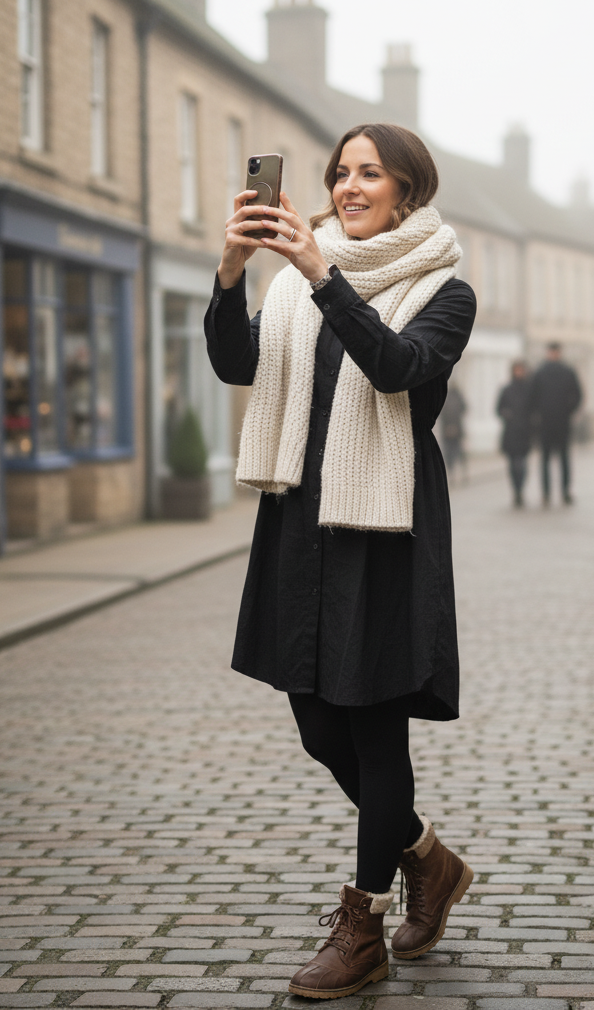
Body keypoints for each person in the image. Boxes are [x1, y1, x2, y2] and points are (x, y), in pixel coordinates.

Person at [204, 123, 477, 1000]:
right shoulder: (292, 285)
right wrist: (232, 273)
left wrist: (322, 276)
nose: (348, 185)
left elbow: (397, 370)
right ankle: (428, 861)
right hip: (297, 519)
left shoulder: (442, 287)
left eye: (369, 174)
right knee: (318, 727)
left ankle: (361, 925)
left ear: (407, 188)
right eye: (339, 173)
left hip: (380, 525)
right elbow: (232, 362)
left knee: (371, 723)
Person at [529, 342, 582, 506]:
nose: (553, 355)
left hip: (557, 422)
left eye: (555, 352)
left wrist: (568, 411)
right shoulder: (542, 372)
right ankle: (547, 493)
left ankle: (563, 492)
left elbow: (577, 395)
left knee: (562, 459)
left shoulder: (564, 372)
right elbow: (532, 397)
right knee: (547, 460)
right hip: (549, 423)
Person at [496, 360, 532, 507]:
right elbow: (499, 408)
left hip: (524, 432)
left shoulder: (529, 390)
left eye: (521, 370)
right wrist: (507, 415)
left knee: (522, 464)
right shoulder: (507, 390)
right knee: (512, 464)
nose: (519, 373)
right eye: (516, 370)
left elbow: (533, 409)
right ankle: (516, 490)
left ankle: (520, 489)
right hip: (510, 432)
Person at [440, 382, 467, 481]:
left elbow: (441, 415)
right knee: (459, 451)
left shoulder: (445, 399)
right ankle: (462, 472)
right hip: (457, 430)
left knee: (450, 452)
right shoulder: (459, 398)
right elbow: (465, 409)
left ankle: (452, 471)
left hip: (447, 430)